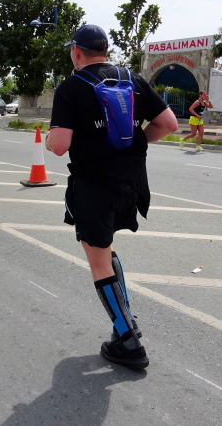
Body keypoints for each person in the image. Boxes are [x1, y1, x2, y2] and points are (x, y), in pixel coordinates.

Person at [45, 25, 178, 370]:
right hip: (132, 182)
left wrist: (48, 137)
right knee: (106, 250)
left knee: (98, 260)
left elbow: (59, 146)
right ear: (104, 50)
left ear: (76, 51)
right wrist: (135, 142)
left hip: (95, 186)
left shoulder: (72, 86)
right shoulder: (132, 79)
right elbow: (169, 124)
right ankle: (124, 322)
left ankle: (128, 342)